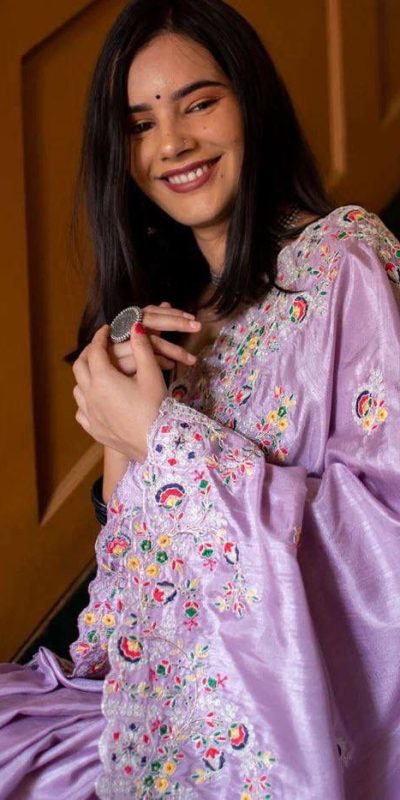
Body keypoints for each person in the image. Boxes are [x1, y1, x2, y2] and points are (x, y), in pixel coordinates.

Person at [0, 0, 399, 797]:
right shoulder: (179, 323)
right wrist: (122, 434)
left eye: (199, 103)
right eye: (140, 125)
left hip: (285, 724)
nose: (173, 143)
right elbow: (139, 589)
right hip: (171, 691)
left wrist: (164, 438)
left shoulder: (343, 260)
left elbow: (383, 537)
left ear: (252, 102)